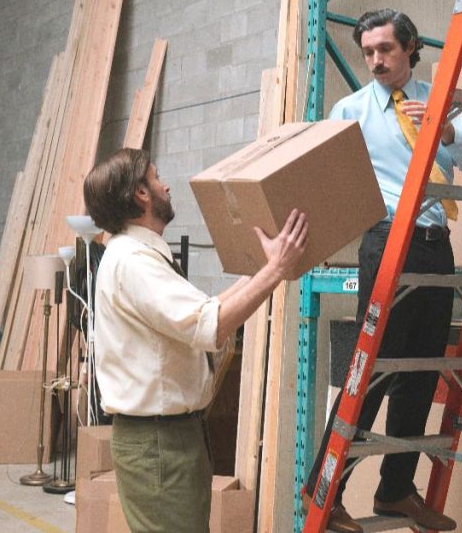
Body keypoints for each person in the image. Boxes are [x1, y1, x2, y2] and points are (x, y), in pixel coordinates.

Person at [304, 9, 462, 532]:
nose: (375, 61)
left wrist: (447, 128)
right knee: (375, 369)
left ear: (410, 47)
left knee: (422, 372)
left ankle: (395, 490)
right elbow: (322, 174)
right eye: (367, 52)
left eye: (385, 49)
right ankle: (324, 488)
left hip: (435, 243)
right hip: (386, 241)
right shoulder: (350, 110)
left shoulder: (440, 98)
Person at [83, 148, 307, 532]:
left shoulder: (137, 255)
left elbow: (204, 310)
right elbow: (212, 327)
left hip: (171, 437)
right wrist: (276, 271)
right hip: (160, 443)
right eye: (156, 178)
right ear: (140, 194)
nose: (165, 185)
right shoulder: (134, 262)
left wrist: (263, 267)